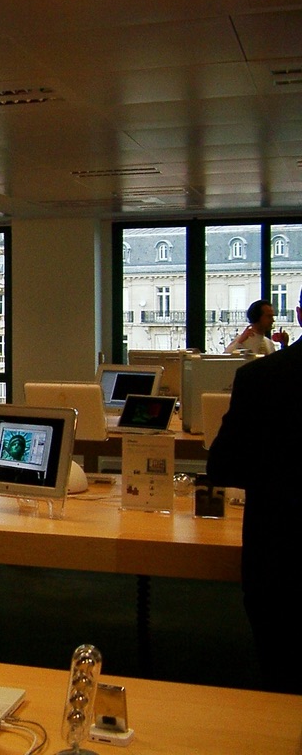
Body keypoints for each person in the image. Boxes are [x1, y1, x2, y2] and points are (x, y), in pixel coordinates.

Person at [206, 287, 302, 694]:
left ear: (299, 312)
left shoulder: (260, 378)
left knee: (283, 677)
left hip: (280, 550)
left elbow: (223, 465)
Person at [224, 299, 288, 355]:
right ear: (257, 317)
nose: (272, 320)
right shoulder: (242, 340)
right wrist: (239, 342)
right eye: (269, 317)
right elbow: (225, 360)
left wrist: (284, 345)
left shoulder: (269, 343)